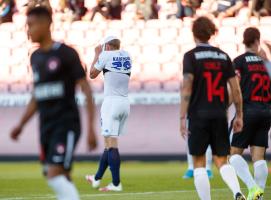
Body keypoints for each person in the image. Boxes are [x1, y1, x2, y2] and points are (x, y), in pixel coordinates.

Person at [10, 6, 97, 200]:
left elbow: (87, 90)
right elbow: (37, 96)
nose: (28, 30)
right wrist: (21, 125)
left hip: (65, 124)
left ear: (46, 24)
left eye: (31, 25)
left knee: (54, 175)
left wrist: (91, 127)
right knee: (62, 176)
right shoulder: (36, 57)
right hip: (46, 127)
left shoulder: (67, 54)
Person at [180, 16, 246, 200]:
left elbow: (187, 87)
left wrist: (181, 118)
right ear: (211, 32)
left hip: (198, 115)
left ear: (194, 33)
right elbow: (236, 90)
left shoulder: (190, 56)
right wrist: (239, 115)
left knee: (199, 163)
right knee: (221, 160)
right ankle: (236, 192)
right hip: (219, 114)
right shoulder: (224, 56)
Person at [85, 36, 132, 192]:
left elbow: (91, 74)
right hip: (125, 103)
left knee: (111, 145)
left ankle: (116, 183)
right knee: (108, 145)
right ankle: (97, 178)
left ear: (108, 46)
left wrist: (96, 54)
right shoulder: (127, 55)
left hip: (111, 103)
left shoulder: (105, 55)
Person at [229, 27, 271, 200]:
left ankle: (253, 187)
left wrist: (227, 107)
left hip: (248, 111)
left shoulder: (239, 61)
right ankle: (258, 197)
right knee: (258, 157)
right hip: (266, 111)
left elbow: (235, 88)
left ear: (244, 41)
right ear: (257, 41)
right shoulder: (265, 63)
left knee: (233, 156)